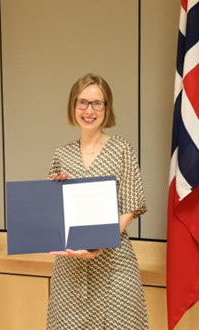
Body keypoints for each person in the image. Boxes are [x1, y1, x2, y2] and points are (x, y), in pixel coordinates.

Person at [45, 73, 149, 329]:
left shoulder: (121, 149)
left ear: (106, 108)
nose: (89, 110)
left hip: (114, 263)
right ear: (73, 106)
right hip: (70, 266)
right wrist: (51, 193)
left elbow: (130, 208)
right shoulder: (62, 154)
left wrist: (97, 243)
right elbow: (53, 214)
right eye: (82, 102)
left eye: (97, 103)